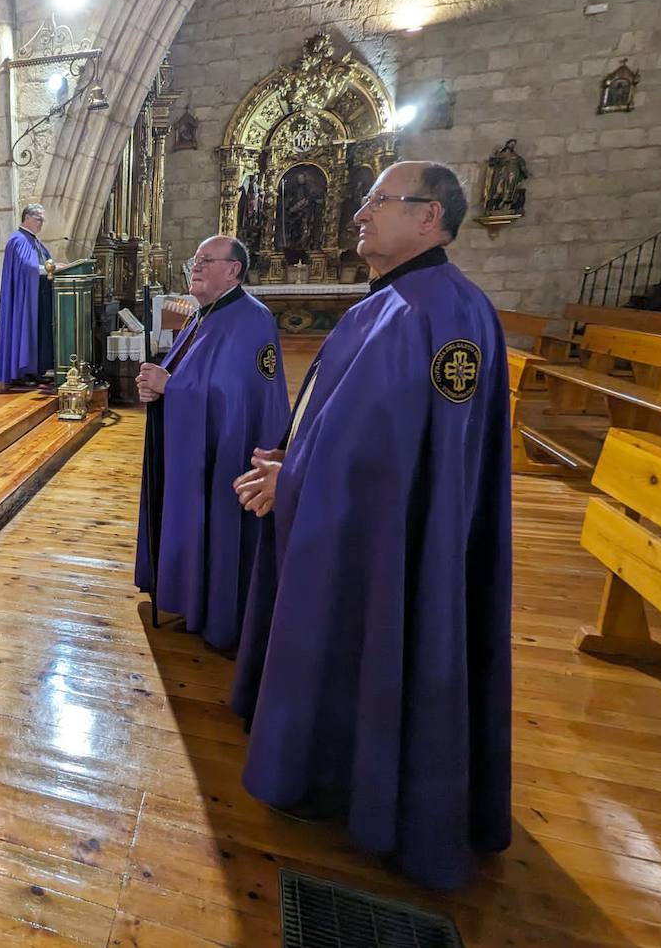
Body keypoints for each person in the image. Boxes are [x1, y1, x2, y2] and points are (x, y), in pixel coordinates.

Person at [229, 161, 511, 891]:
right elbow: (346, 419)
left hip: (393, 547)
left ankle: (370, 790)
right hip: (349, 523)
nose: (360, 212)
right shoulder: (391, 303)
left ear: (430, 218)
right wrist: (291, 456)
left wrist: (297, 480)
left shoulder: (441, 312)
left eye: (378, 201)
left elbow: (407, 462)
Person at [134, 236, 288, 650]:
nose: (195, 267)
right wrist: (157, 388)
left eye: (206, 260)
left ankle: (216, 607)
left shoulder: (251, 319)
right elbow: (190, 375)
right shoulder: (205, 315)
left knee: (220, 529)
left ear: (233, 269)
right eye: (194, 260)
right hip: (199, 446)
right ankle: (187, 593)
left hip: (231, 452)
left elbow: (236, 397)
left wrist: (173, 388)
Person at [0, 204, 72, 388]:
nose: (41, 223)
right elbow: (26, 268)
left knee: (38, 332)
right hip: (24, 299)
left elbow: (43, 263)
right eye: (38, 219)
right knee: (26, 331)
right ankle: (21, 372)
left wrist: (55, 266)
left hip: (37, 295)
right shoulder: (19, 239)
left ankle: (36, 370)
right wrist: (49, 268)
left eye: (43, 219)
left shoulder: (33, 240)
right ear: (26, 217)